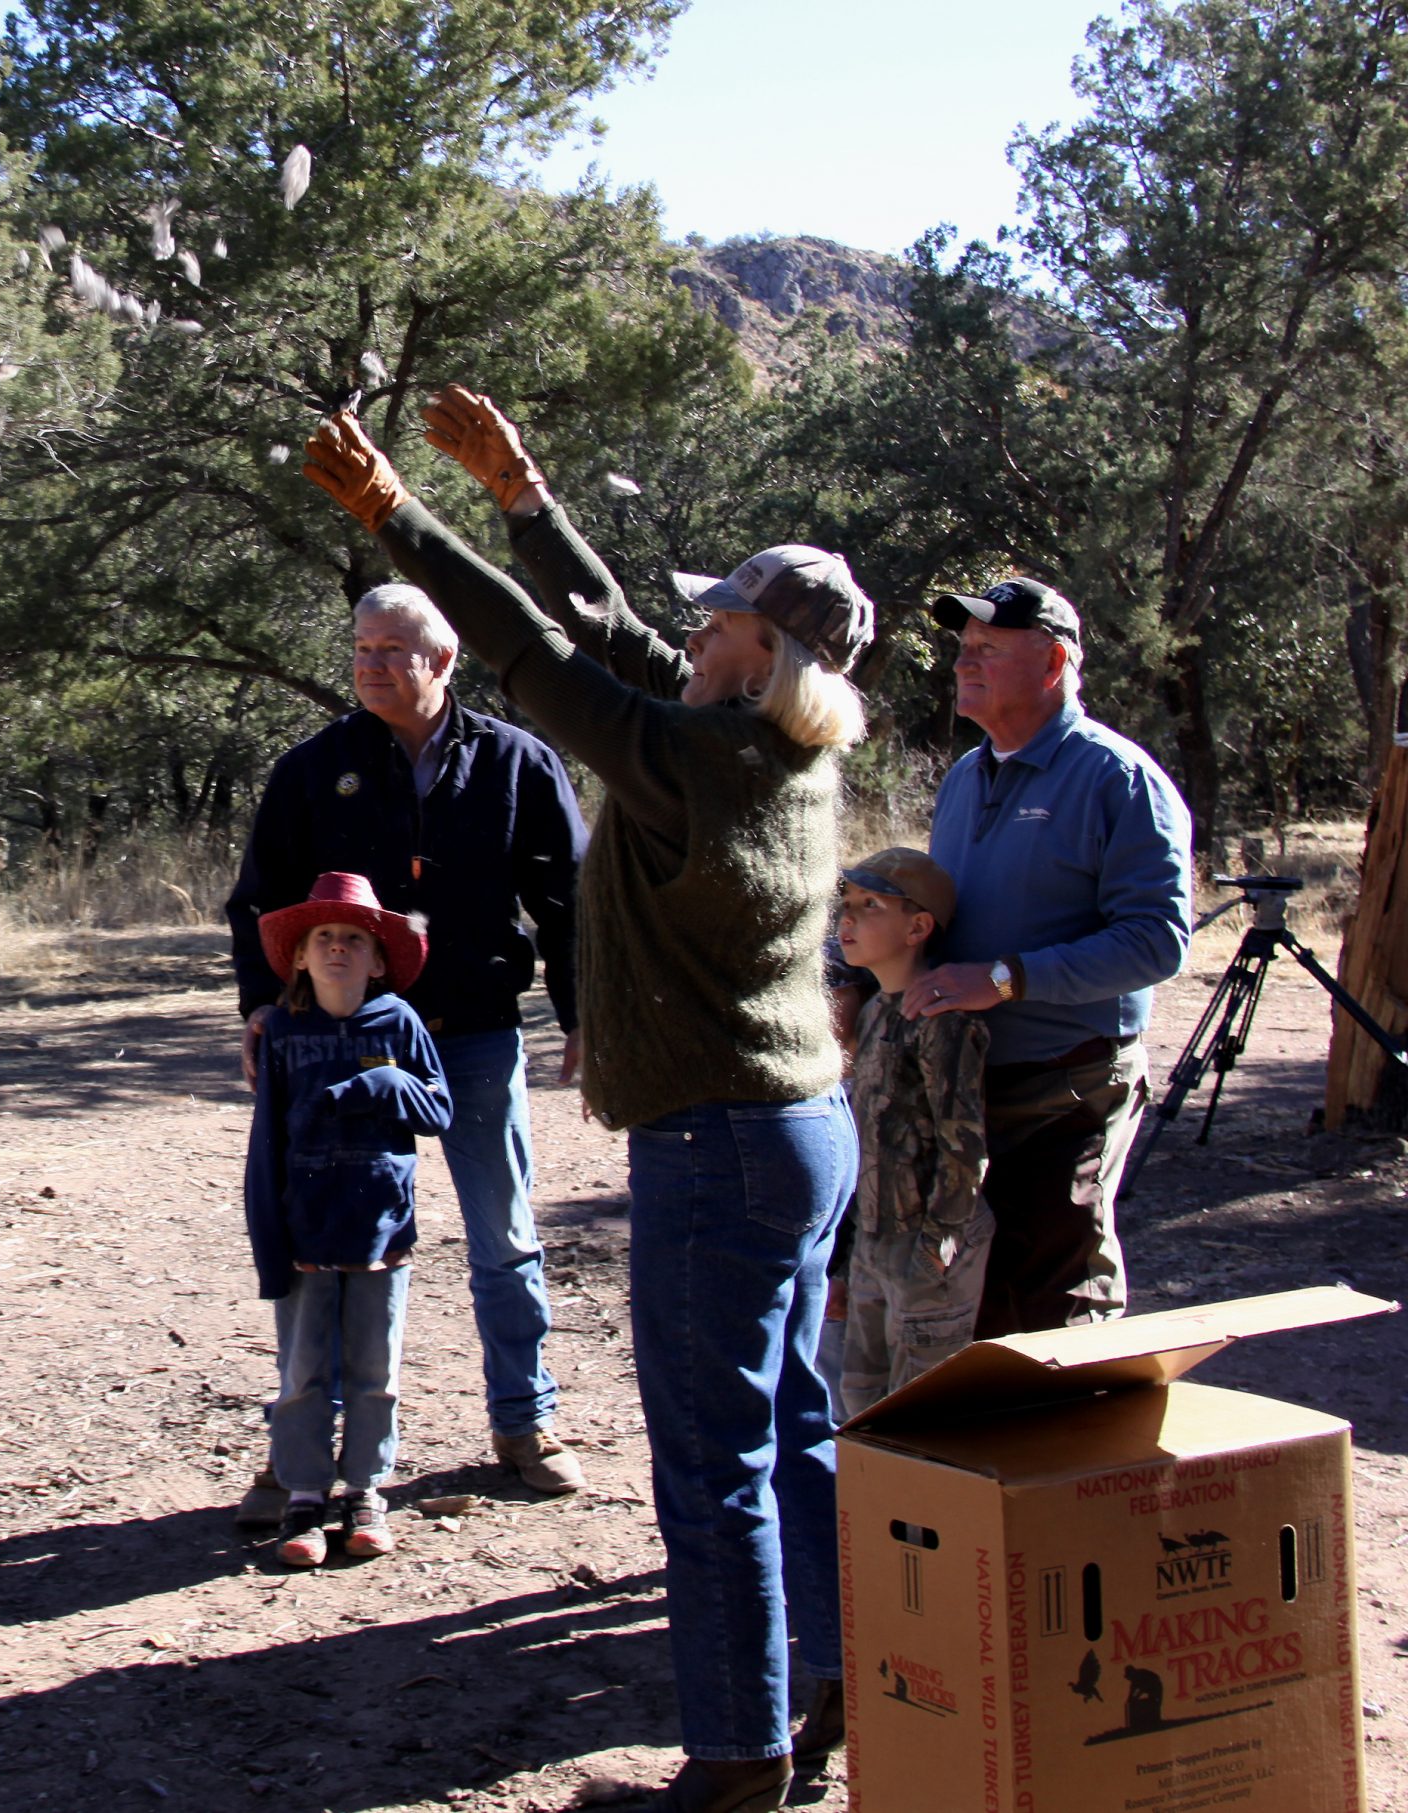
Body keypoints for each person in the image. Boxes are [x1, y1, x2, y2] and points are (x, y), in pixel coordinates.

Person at [304, 388, 868, 1813]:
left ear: (762, 652)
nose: (693, 635)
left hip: (718, 1144)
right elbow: (611, 635)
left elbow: (535, 654)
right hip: (798, 1131)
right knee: (792, 1426)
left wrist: (397, 519)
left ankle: (738, 1760)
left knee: (711, 1465)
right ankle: (829, 1686)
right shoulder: (772, 742)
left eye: (718, 624)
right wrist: (527, 496)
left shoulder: (692, 757)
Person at [225, 581, 590, 1512]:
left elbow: (571, 903)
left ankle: (524, 1418)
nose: (370, 664)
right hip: (331, 1045)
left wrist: (588, 1015)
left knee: (502, 1235)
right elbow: (260, 896)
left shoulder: (517, 763)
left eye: (392, 649)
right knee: (320, 1241)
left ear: (443, 659)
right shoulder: (315, 767)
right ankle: (303, 1453)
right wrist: (266, 1006)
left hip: (470, 1032)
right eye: (360, 648)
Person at [909, 579, 1194, 1337]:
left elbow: (1157, 940)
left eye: (988, 649)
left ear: (1053, 663)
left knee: (1058, 1295)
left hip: (1069, 1086)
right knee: (980, 1297)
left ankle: (1087, 1449)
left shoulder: (1117, 779)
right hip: (973, 1085)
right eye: (963, 649)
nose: (964, 662)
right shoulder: (967, 776)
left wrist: (1006, 979)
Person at [242, 871, 452, 1568]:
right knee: (303, 1371)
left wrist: (386, 1082)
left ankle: (365, 1490)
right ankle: (303, 1495)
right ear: (298, 955)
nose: (337, 949)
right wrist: (269, 1241)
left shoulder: (400, 1024)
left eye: (354, 939)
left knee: (373, 1369)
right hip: (304, 1232)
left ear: (380, 957)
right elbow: (265, 1141)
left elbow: (438, 1109)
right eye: (323, 937)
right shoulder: (281, 1031)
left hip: (381, 1230)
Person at [832, 847, 992, 1417]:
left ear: (918, 927)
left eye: (870, 905)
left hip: (928, 1245)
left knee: (922, 1412)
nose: (848, 919)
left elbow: (964, 1142)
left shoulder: (943, 1019)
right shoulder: (875, 1013)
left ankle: (925, 1511)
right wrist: (851, 1258)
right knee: (860, 1403)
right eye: (846, 905)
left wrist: (938, 1243)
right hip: (876, 1241)